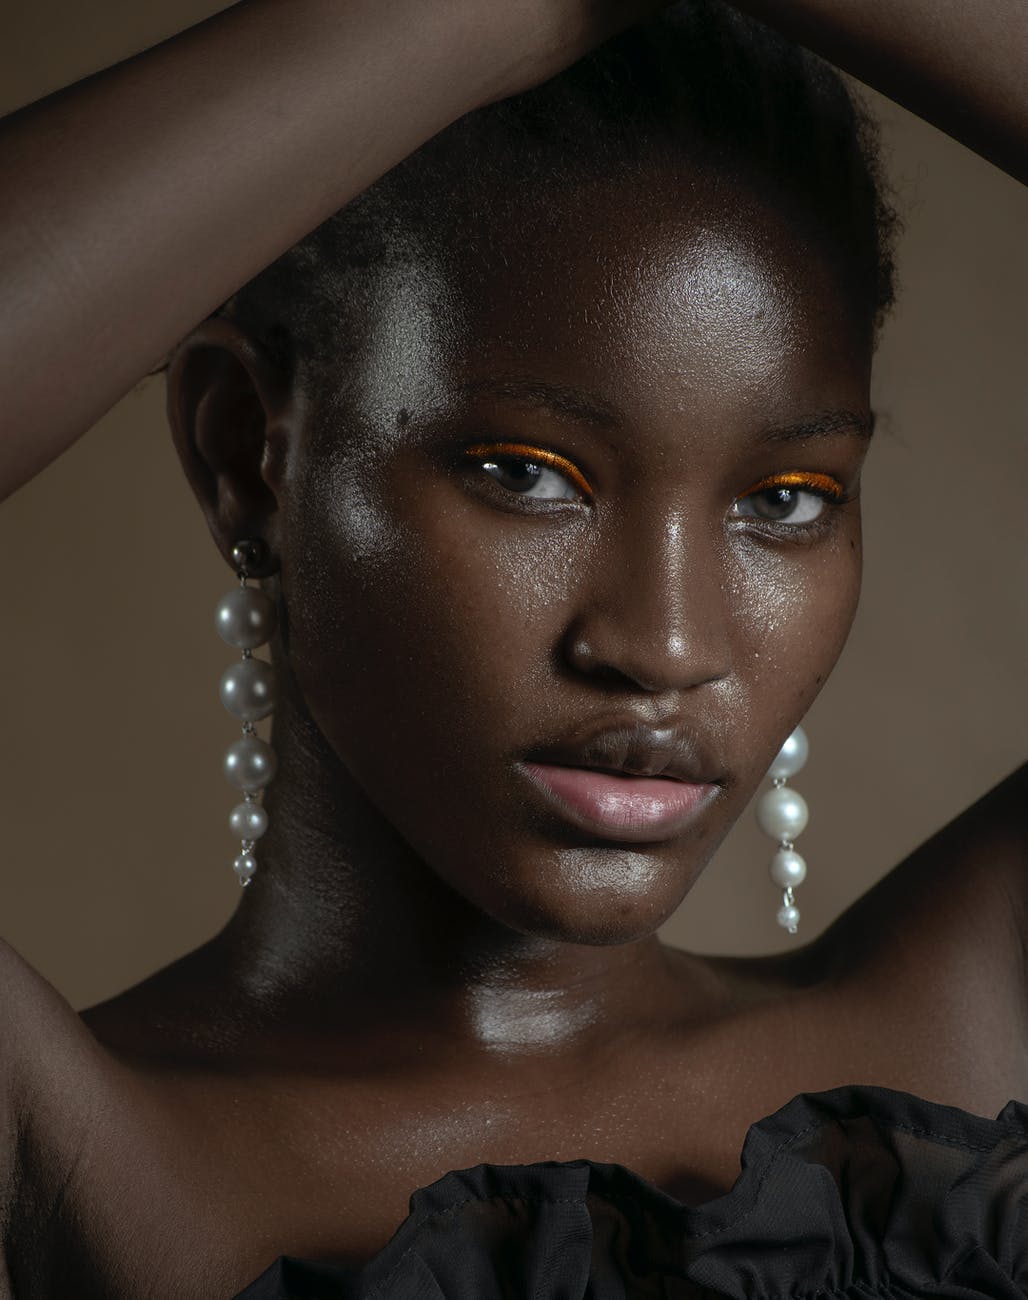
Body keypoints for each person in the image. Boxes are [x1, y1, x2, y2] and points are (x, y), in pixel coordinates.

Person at [0, 0, 1025, 1296]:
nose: (662, 643)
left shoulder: (980, 1020)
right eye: (525, 475)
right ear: (243, 449)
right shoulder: (82, 1146)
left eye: (786, 501)